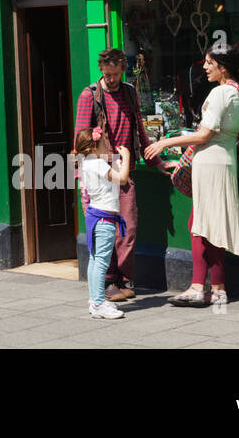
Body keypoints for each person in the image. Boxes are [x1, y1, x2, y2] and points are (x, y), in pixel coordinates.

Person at [145, 46, 239, 307]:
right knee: (206, 224)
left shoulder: (220, 93)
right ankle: (215, 289)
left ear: (222, 67)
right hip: (223, 160)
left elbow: (203, 136)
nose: (204, 67)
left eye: (209, 62)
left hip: (211, 165)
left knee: (202, 225)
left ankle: (199, 288)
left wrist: (164, 143)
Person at [72, 48, 163, 303]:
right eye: (107, 74)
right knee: (105, 231)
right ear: (101, 69)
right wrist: (86, 177)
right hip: (100, 175)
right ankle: (108, 281)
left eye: (115, 74)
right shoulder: (89, 96)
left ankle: (122, 279)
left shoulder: (130, 92)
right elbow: (81, 139)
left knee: (128, 228)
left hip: (125, 171)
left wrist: (155, 160)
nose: (111, 79)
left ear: (123, 70)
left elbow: (140, 131)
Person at [77, 129, 131, 319]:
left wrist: (116, 165)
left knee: (94, 260)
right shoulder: (98, 163)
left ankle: (95, 300)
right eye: (103, 143)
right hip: (104, 220)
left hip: (95, 216)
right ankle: (99, 303)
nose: (107, 146)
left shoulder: (86, 164)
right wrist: (127, 157)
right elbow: (123, 179)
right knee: (101, 262)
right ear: (94, 146)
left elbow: (110, 184)